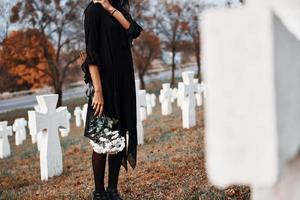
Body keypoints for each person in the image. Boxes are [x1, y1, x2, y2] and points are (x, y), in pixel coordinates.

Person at [81, 0, 143, 199]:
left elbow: (132, 29)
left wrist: (110, 8)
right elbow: (91, 54)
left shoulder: (117, 8)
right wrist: (98, 91)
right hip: (104, 85)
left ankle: (112, 191)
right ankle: (99, 193)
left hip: (123, 83)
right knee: (102, 138)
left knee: (118, 138)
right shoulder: (92, 11)